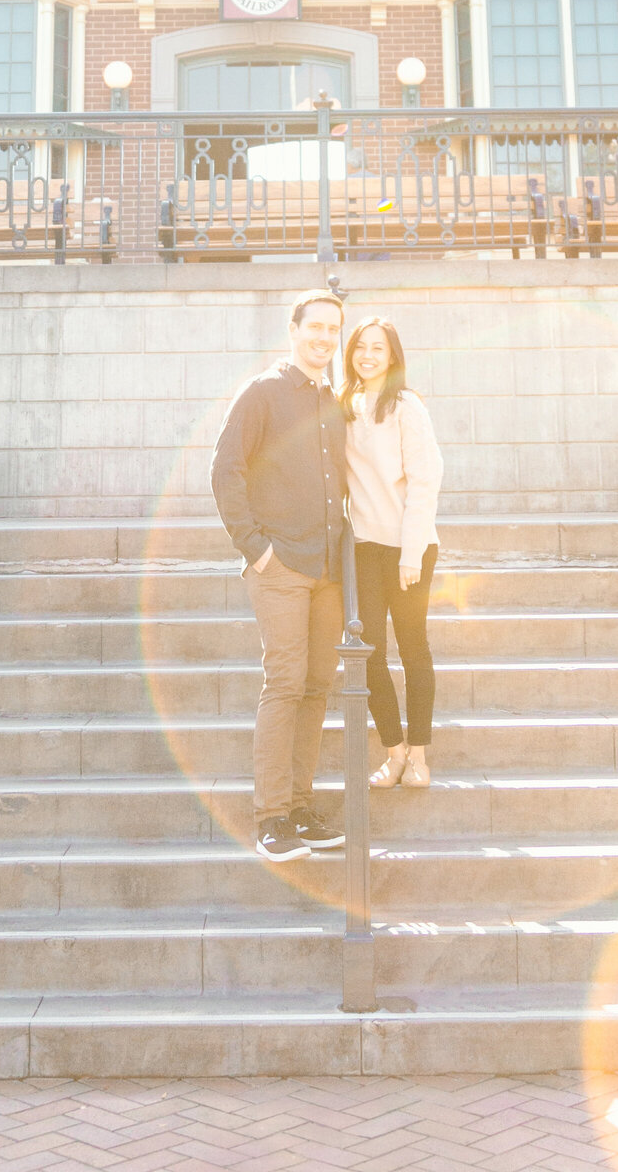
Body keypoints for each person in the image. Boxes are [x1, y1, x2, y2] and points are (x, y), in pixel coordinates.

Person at [210, 287, 349, 863]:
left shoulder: (332, 400)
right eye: (314, 327)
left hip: (328, 570)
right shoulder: (264, 392)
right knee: (286, 683)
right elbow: (225, 471)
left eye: (332, 330)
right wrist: (255, 549)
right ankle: (271, 817)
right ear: (293, 330)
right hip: (282, 565)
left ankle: (298, 805)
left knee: (318, 687)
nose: (323, 339)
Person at [339, 314, 444, 789]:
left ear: (393, 355)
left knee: (413, 648)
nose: (368, 355)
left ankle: (420, 755)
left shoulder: (406, 406)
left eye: (378, 348)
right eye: (361, 346)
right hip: (362, 546)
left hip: (408, 547)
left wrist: (411, 550)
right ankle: (393, 751)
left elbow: (426, 479)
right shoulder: (343, 404)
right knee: (370, 652)